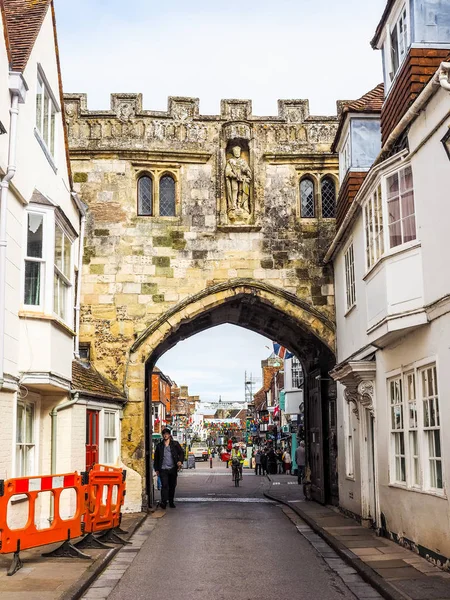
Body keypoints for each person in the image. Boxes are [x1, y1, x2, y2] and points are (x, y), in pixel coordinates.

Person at [154, 427, 184, 509]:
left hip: (173, 468)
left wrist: (180, 461)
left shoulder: (175, 444)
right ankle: (163, 502)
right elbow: (156, 458)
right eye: (164, 434)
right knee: (164, 486)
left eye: (167, 434)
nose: (165, 435)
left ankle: (171, 501)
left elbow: (181, 452)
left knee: (172, 486)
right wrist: (156, 469)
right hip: (163, 469)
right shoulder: (159, 446)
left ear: (169, 435)